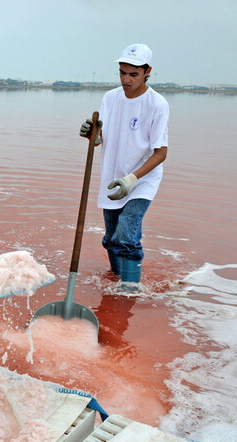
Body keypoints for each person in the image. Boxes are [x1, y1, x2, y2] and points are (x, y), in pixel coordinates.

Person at [80, 43, 169, 288]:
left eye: (133, 74)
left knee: (126, 235)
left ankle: (130, 290)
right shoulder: (110, 98)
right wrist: (92, 135)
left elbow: (160, 152)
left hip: (142, 180)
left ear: (147, 71)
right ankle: (116, 279)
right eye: (122, 73)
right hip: (113, 176)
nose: (126, 80)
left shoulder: (157, 104)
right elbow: (100, 138)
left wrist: (131, 179)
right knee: (111, 239)